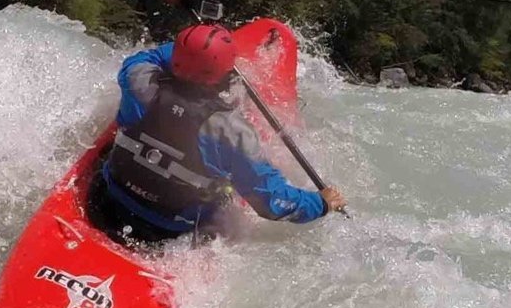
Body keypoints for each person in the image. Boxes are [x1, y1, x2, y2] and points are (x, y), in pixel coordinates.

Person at [90, 22, 347, 244]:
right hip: (170, 228)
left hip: (110, 198)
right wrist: (321, 203)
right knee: (227, 190)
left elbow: (153, 56)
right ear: (223, 74)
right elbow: (272, 202)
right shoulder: (231, 131)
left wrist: (192, 51)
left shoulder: (137, 80)